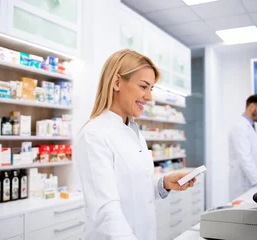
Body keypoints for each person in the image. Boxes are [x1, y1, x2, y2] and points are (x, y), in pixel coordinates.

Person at [74, 49, 196, 240]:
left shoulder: (134, 130)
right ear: (116, 82)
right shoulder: (94, 135)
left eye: (151, 89)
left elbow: (133, 186)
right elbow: (106, 211)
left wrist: (164, 183)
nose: (149, 97)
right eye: (143, 86)